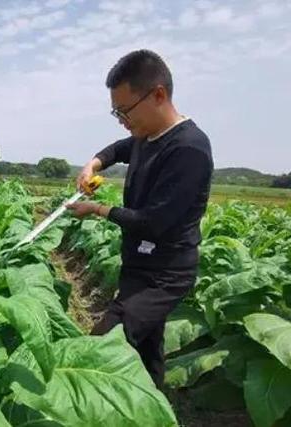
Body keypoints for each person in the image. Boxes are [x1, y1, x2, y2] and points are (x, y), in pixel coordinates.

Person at [67, 49, 214, 389]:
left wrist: (98, 210)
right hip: (138, 264)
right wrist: (93, 164)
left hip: (165, 273)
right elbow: (118, 150)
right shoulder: (145, 135)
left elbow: (154, 223)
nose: (122, 120)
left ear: (158, 94)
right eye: (115, 112)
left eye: (125, 110)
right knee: (147, 353)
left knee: (104, 342)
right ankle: (152, 407)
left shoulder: (188, 148)